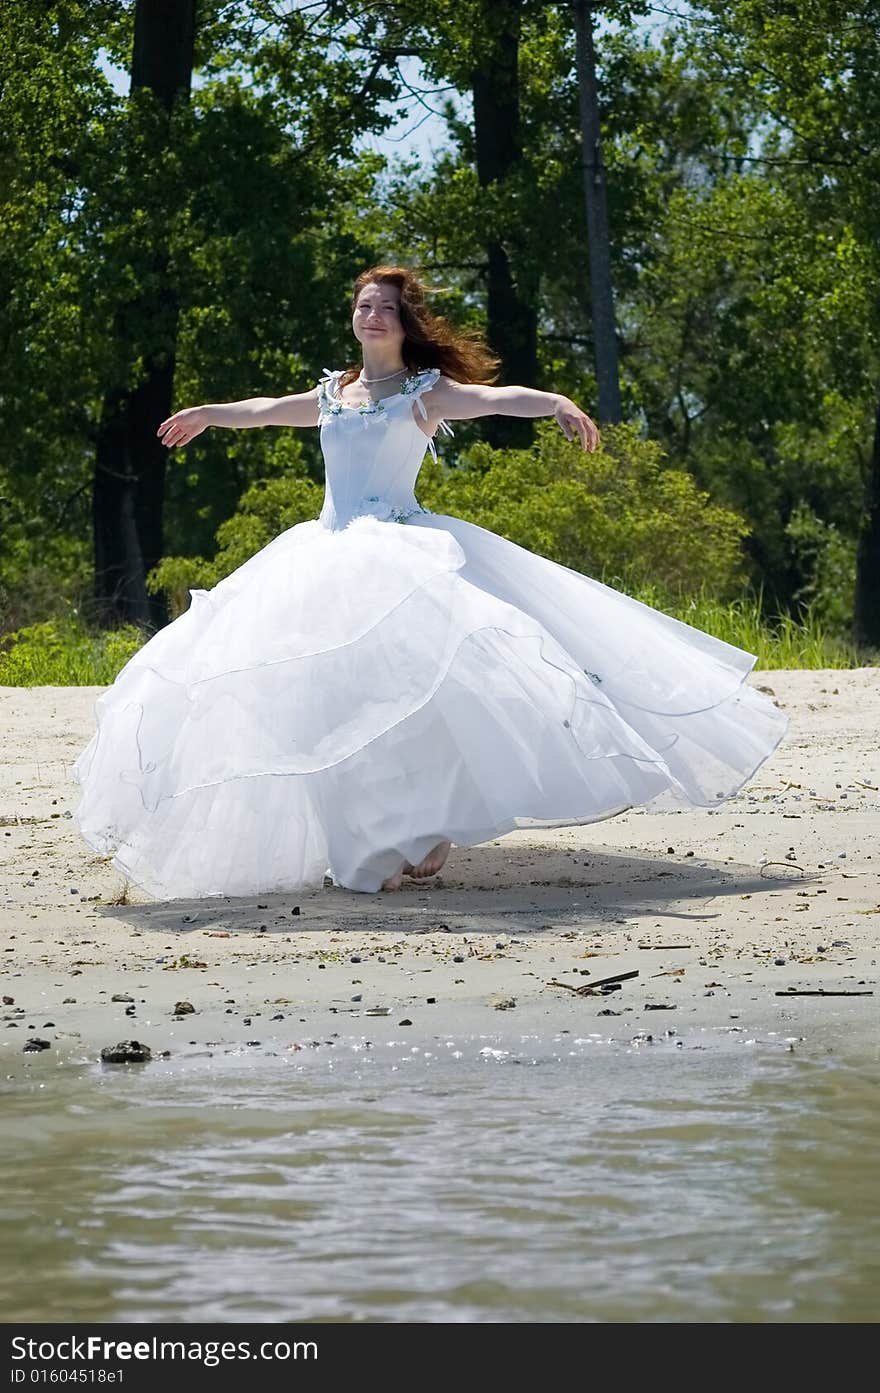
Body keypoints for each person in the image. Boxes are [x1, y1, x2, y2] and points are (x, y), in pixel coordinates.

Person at [70, 265, 786, 899]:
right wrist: (207, 414)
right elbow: (263, 411)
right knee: (335, 704)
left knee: (422, 701)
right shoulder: (333, 394)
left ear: (404, 323)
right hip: (323, 555)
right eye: (362, 306)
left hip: (402, 557)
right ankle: (385, 837)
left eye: (383, 307)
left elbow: (498, 398)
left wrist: (556, 402)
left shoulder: (424, 393)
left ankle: (416, 830)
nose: (370, 315)